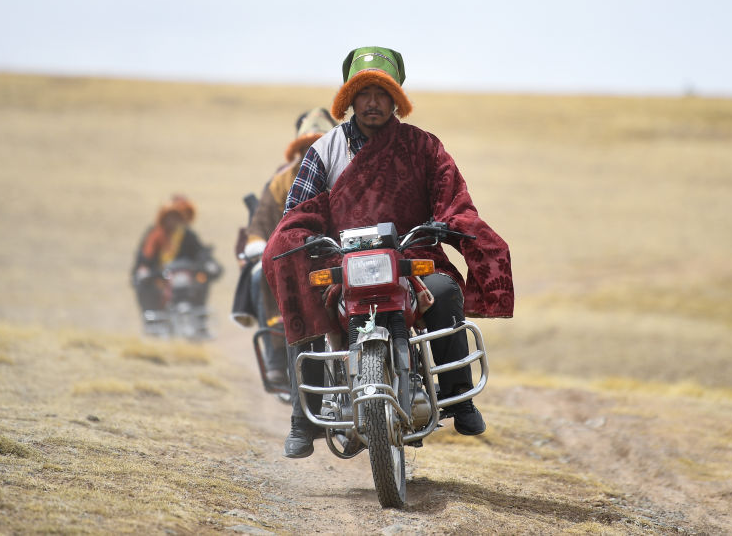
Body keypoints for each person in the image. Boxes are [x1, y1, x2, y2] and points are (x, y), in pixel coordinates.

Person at [262, 46, 514, 459]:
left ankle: (460, 398)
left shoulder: (424, 147)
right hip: (342, 265)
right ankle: (302, 420)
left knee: (445, 291)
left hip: (411, 258)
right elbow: (297, 211)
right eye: (363, 93)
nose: (373, 102)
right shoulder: (325, 150)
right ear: (349, 99)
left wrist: (451, 223)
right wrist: (297, 238)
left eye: (383, 93)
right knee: (303, 295)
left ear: (397, 99)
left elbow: (454, 200)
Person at [231, 108, 337, 386]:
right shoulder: (281, 180)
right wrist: (258, 245)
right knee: (260, 274)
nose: (313, 151)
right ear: (298, 148)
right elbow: (261, 221)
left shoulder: (347, 173)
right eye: (307, 145)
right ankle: (277, 358)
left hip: (339, 253)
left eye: (321, 144)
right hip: (290, 257)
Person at [132, 195, 211, 330]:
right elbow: (145, 257)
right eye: (170, 217)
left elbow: (200, 253)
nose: (173, 221)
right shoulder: (155, 234)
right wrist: (144, 269)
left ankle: (200, 323)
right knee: (146, 287)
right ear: (163, 218)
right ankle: (153, 325)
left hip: (183, 276)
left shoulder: (187, 235)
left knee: (201, 282)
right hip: (160, 276)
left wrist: (206, 264)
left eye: (177, 218)